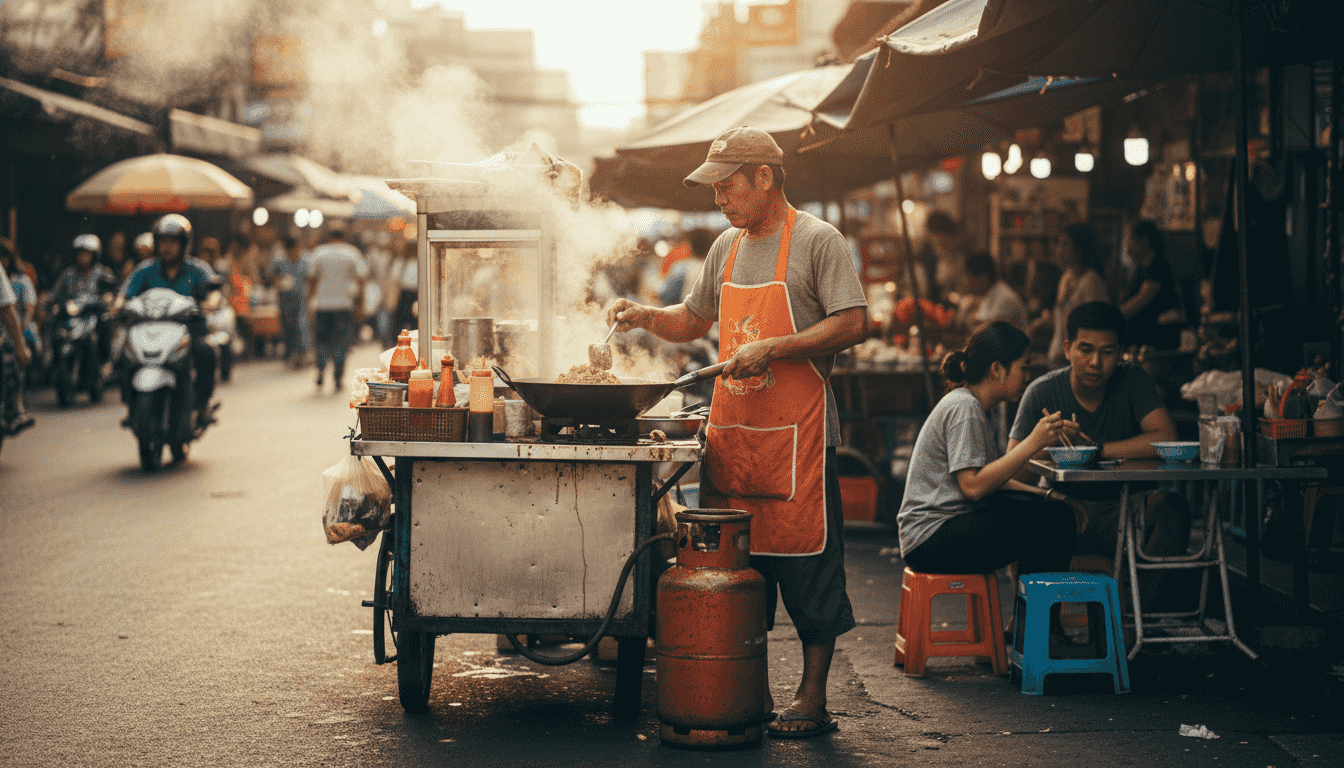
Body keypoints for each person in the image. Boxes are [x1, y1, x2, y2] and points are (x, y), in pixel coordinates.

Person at [605, 126, 867, 739]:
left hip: (800, 440)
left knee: (809, 570)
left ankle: (812, 695)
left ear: (763, 179)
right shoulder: (725, 247)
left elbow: (853, 322)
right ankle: (742, 690)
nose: (718, 198)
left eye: (727, 185)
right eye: (715, 188)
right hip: (735, 435)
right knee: (732, 569)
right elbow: (694, 318)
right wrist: (645, 316)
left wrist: (776, 348)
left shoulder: (817, 242)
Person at [1008, 301, 1190, 601]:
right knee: (1024, 520)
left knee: (1173, 510)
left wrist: (1096, 449)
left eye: (1107, 352)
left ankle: (1135, 618)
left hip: (1125, 511)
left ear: (1120, 352)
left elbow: (1166, 437)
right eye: (1085, 349)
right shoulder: (1043, 391)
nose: (1096, 362)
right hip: (1063, 513)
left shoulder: (1133, 380)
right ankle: (1034, 623)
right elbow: (1011, 474)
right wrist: (1044, 444)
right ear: (1067, 349)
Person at [898, 321, 1080, 582]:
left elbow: (991, 480)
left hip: (943, 530)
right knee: (1054, 521)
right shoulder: (965, 408)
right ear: (997, 369)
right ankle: (1037, 621)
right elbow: (974, 487)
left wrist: (1046, 494)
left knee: (1052, 511)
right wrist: (1033, 442)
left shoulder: (982, 408)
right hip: (931, 538)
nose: (1027, 377)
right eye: (1023, 367)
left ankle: (1030, 620)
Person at [119, 214, 223, 426]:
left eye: (172, 242)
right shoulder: (145, 270)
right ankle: (132, 406)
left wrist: (210, 303)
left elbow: (214, 293)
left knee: (207, 352)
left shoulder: (198, 268)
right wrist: (118, 304)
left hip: (190, 332)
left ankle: (202, 406)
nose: (167, 247)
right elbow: (126, 293)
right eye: (163, 242)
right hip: (150, 332)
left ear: (184, 244)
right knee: (124, 355)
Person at [306, 228, 367, 391]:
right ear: (344, 236)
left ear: (328, 235)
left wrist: (309, 302)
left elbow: (311, 279)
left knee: (321, 340)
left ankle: (320, 369)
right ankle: (338, 376)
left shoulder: (319, 253)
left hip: (322, 305)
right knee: (341, 341)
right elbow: (361, 279)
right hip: (344, 305)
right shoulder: (352, 253)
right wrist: (360, 303)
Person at [1047, 223, 1109, 365]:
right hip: (1058, 357)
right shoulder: (1066, 278)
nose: (1059, 250)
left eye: (1065, 244)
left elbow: (1096, 326)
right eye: (1059, 244)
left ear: (1080, 248)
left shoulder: (1091, 281)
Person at [52, 234, 118, 365]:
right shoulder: (68, 273)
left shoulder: (103, 272)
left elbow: (110, 293)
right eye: (80, 253)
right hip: (72, 314)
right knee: (55, 323)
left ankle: (105, 361)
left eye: (87, 253)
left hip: (93, 313)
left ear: (94, 255)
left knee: (105, 321)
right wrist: (57, 302)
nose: (83, 257)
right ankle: (52, 359)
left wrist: (105, 299)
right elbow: (55, 294)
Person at [1119, 220, 1182, 351]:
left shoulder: (1157, 267)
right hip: (1138, 342)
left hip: (1154, 343)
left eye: (1129, 240)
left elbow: (1142, 298)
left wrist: (1114, 315)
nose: (1127, 246)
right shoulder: (1141, 267)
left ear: (1144, 241)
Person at [1, 246, 35, 436]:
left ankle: (15, 408)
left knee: (12, 364)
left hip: (13, 334)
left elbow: (8, 308)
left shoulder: (20, 280)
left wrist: (20, 344)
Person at [958, 252, 1030, 331]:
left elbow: (987, 332)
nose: (965, 283)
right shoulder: (990, 294)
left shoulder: (1004, 299)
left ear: (982, 278)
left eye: (967, 277)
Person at [268, 236, 311, 366]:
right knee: (287, 326)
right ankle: (289, 353)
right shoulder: (280, 261)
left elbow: (309, 278)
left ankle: (301, 353)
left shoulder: (304, 261)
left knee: (301, 325)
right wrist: (279, 282)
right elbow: (270, 276)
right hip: (284, 298)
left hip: (300, 297)